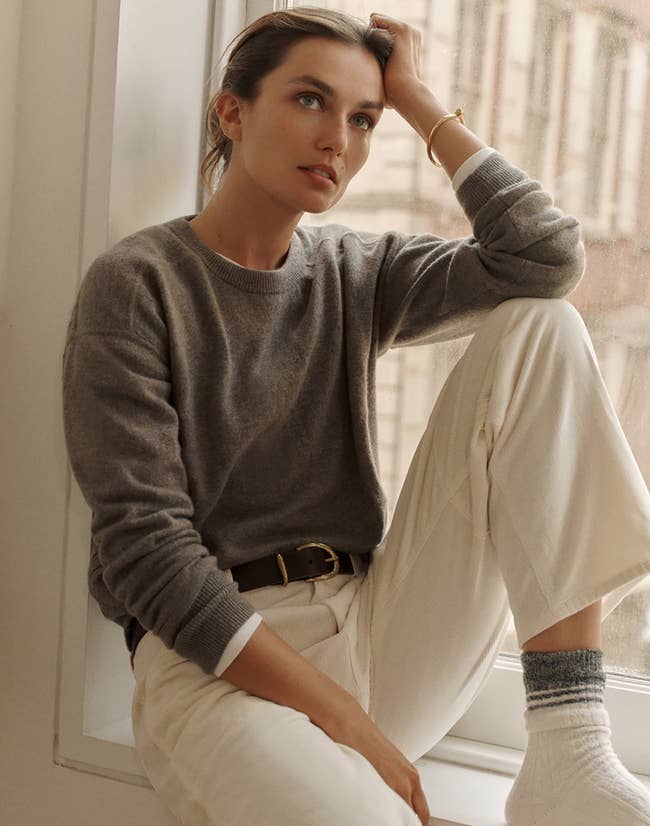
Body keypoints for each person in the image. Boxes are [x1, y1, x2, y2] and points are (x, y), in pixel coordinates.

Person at [61, 7, 650, 826]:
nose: (338, 138)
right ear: (232, 112)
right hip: (216, 667)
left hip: (374, 624)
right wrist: (344, 719)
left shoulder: (351, 268)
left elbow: (545, 260)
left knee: (541, 325)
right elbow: (147, 556)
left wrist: (419, 102)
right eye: (309, 100)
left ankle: (568, 746)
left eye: (364, 118)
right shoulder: (138, 285)